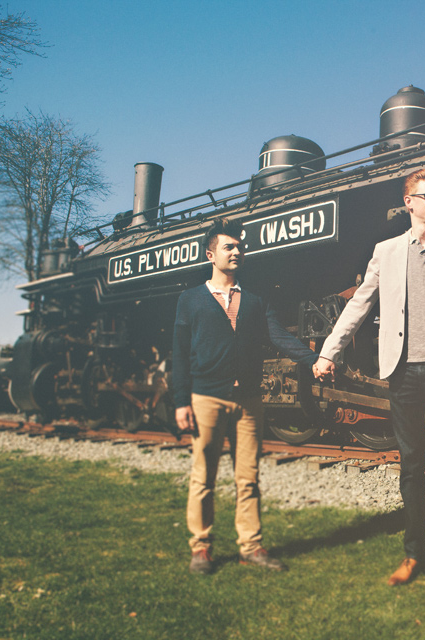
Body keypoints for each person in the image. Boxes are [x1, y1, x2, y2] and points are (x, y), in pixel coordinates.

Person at [313, 168, 425, 588]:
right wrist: (328, 352)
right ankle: (414, 555)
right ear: (408, 202)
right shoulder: (387, 251)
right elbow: (358, 305)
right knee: (410, 467)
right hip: (402, 372)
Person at [174, 217, 318, 575]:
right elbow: (179, 353)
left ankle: (250, 546)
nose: (237, 251)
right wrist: (180, 401)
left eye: (239, 246)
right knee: (203, 476)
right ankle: (201, 548)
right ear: (211, 254)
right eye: (229, 246)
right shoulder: (190, 300)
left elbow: (279, 336)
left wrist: (315, 360)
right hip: (206, 397)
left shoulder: (253, 301)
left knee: (248, 476)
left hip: (249, 400)